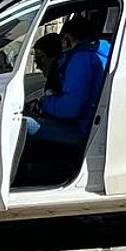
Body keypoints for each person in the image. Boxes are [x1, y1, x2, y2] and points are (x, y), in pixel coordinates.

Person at [19, 10, 107, 176]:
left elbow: (71, 108)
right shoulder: (103, 53)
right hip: (94, 127)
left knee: (22, 125)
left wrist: (43, 103)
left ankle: (23, 177)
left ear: (66, 40)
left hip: (82, 129)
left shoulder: (81, 59)